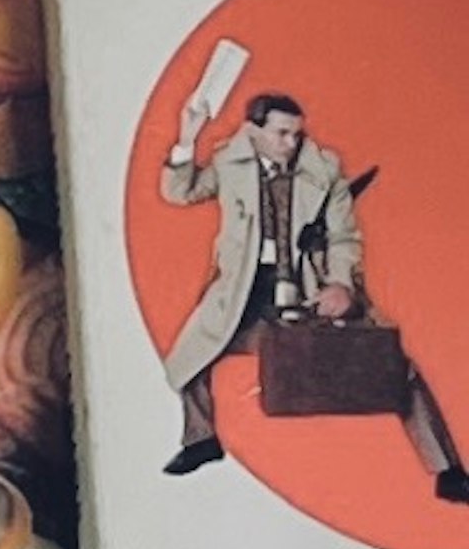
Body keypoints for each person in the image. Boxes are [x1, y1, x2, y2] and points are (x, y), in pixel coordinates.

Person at [159, 86, 468, 498]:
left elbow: (344, 238)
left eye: (296, 134)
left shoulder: (324, 172)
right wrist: (186, 137)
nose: (292, 142)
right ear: (254, 132)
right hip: (244, 295)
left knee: (395, 366)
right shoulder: (229, 162)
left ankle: (448, 471)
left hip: (310, 290)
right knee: (191, 356)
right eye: (282, 133)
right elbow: (179, 192)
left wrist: (339, 283)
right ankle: (200, 440)